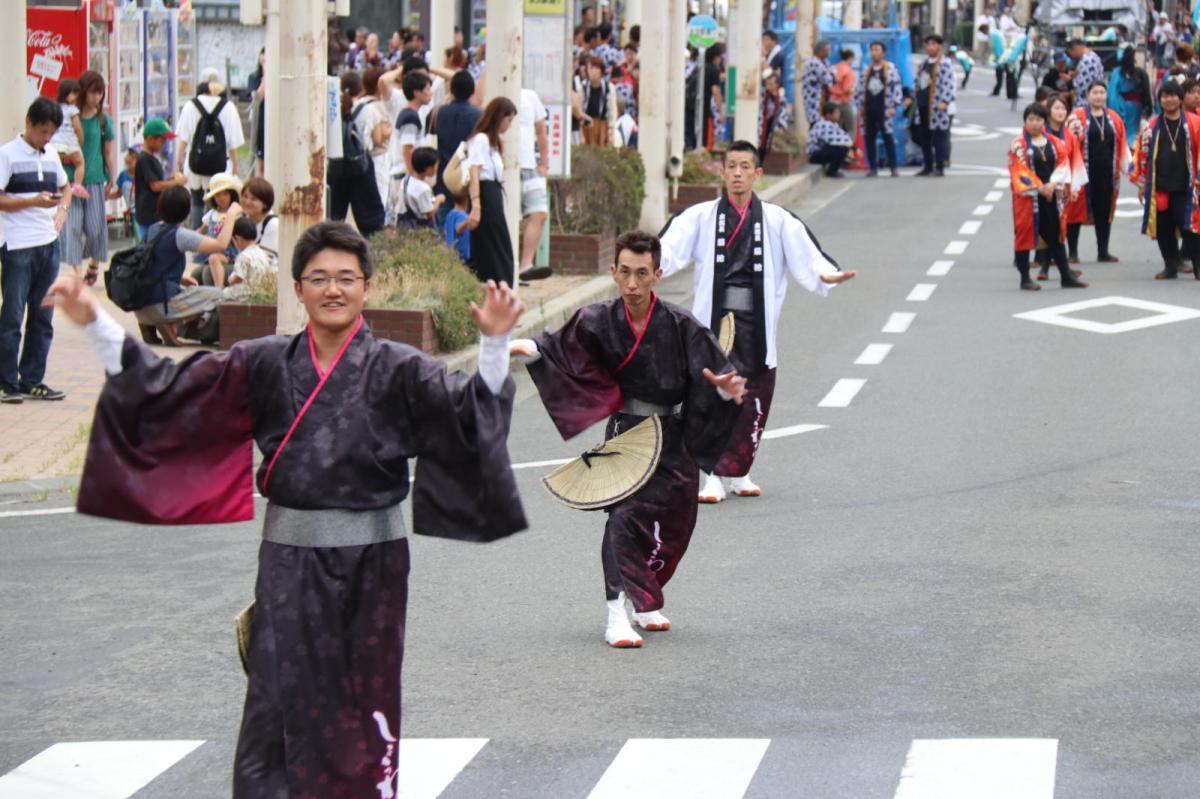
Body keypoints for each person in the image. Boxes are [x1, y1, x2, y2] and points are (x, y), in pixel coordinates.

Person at [45, 220, 527, 798]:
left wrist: (493, 345)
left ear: (367, 287)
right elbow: (166, 389)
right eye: (318, 278)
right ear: (297, 289)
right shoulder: (264, 362)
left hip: (373, 564)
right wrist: (94, 322)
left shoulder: (398, 367)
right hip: (288, 563)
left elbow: (469, 417)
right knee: (277, 700)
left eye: (346, 278)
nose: (333, 289)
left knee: (362, 702)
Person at [512, 230, 746, 648]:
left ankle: (644, 598)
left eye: (642, 273)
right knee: (623, 520)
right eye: (625, 272)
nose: (633, 283)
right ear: (613, 272)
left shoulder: (681, 325)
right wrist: (528, 348)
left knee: (675, 524)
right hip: (626, 434)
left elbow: (716, 371)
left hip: (673, 435)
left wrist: (725, 390)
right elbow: (561, 349)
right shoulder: (598, 320)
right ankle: (615, 612)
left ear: (658, 274)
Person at [657, 140, 856, 502]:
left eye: (745, 167)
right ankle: (711, 476)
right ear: (722, 172)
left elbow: (807, 255)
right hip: (715, 322)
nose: (737, 173)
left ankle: (739, 472)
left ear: (757, 174)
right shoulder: (700, 216)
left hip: (756, 325)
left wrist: (826, 274)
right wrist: (653, 265)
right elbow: (668, 247)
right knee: (712, 395)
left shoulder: (778, 220)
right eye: (731, 166)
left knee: (752, 398)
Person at [0, 97, 71, 404]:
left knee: (43, 317)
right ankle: (7, 382)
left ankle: (32, 379)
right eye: (43, 131)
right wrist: (32, 202)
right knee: (13, 316)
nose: (47, 138)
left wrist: (62, 211)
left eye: (51, 133)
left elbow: (66, 187)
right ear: (28, 122)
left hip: (49, 244)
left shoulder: (52, 154)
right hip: (18, 246)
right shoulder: (7, 155)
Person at [132, 185, 241, 345]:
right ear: (186, 211)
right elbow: (221, 245)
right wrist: (231, 215)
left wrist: (181, 279)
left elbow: (150, 264)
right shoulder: (180, 235)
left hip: (140, 305)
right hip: (162, 306)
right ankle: (173, 325)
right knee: (223, 294)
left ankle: (148, 324)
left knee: (191, 288)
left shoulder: (153, 229)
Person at [1007, 103, 1089, 291]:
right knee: (1024, 235)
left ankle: (1066, 276)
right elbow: (1019, 171)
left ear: (1044, 121)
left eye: (1038, 119)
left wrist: (1052, 184)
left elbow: (1062, 164)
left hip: (1050, 196)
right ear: (1025, 122)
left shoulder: (1053, 142)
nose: (1034, 123)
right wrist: (1039, 187)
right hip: (1027, 199)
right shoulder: (1018, 144)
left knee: (1055, 235)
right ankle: (1025, 278)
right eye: (1030, 120)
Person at [1133, 81, 1200, 280]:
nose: (1169, 100)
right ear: (1160, 100)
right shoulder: (1151, 126)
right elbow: (1142, 156)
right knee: (1163, 229)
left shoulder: (1195, 123)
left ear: (1180, 99)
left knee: (1190, 228)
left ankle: (1198, 266)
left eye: (1173, 96)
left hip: (1186, 186)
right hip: (1159, 185)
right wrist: (1142, 184)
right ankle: (1170, 266)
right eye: (1165, 96)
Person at [60, 71, 116, 288]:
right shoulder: (67, 117)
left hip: (94, 179)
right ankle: (76, 273)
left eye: (100, 93)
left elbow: (108, 151)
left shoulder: (103, 120)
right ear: (83, 92)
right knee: (72, 226)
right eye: (93, 92)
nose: (97, 97)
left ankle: (93, 261)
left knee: (95, 227)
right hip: (70, 178)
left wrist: (111, 177)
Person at [1064, 82, 1128, 265]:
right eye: (1095, 92)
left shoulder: (1114, 118)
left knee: (1104, 211)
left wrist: (1129, 170)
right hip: (1082, 173)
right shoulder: (1077, 117)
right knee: (1075, 211)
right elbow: (1067, 142)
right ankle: (1073, 252)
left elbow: (1122, 144)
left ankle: (1103, 251)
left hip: (1107, 173)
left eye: (1102, 92)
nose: (1098, 96)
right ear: (1088, 94)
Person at [175, 74, 245, 228]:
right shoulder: (228, 107)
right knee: (219, 203)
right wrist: (236, 165)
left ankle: (197, 233)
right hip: (221, 165)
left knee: (197, 201)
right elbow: (233, 143)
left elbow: (183, 139)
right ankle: (217, 232)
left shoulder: (190, 106)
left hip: (195, 165)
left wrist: (178, 163)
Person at [466, 98, 518, 285]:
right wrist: (476, 204)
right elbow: (474, 171)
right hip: (485, 195)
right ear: (498, 117)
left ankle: (500, 285)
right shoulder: (481, 139)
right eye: (508, 120)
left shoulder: (493, 143)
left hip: (493, 193)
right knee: (493, 245)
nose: (509, 125)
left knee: (498, 244)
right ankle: (497, 285)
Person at [1035, 94, 1087, 277]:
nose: (1061, 112)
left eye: (1064, 108)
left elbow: (1075, 161)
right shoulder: (1040, 134)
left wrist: (1074, 187)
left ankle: (1054, 267)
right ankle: (1047, 266)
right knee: (1047, 227)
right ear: (1048, 111)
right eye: (1056, 108)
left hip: (1062, 189)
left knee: (1058, 227)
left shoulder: (1070, 136)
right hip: (1043, 187)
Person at [328, 71, 385, 239]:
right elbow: (375, 138)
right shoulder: (368, 108)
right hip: (361, 164)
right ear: (361, 89)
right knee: (370, 219)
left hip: (336, 165)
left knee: (333, 216)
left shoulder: (332, 107)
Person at [433, 70, 483, 218]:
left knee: (443, 217)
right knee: (466, 220)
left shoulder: (437, 113)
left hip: (442, 174)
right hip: (467, 177)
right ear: (473, 91)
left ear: (451, 90)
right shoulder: (479, 115)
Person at [518, 88, 553, 281]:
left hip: (531, 165)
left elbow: (541, 131)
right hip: (505, 167)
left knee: (539, 213)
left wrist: (545, 164)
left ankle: (526, 265)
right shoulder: (493, 89)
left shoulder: (530, 96)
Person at [856, 40, 903, 177]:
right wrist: (860, 106)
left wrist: (894, 105)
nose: (874, 53)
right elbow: (859, 90)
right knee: (869, 138)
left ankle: (893, 166)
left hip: (884, 109)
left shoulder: (890, 69)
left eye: (877, 50)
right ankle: (873, 167)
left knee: (888, 137)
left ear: (883, 53)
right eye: (872, 50)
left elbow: (896, 88)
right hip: (869, 109)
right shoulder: (867, 71)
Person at [134, 119, 186, 240]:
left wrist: (170, 179)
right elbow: (155, 186)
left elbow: (156, 181)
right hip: (148, 213)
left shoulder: (151, 158)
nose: (163, 144)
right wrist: (176, 182)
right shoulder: (145, 159)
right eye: (162, 140)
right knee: (149, 244)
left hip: (154, 212)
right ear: (150, 139)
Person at [358, 65, 401, 212]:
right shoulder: (376, 107)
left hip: (361, 158)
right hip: (378, 159)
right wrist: (392, 128)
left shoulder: (360, 103)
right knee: (380, 199)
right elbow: (377, 138)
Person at [193, 172, 243, 288]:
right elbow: (202, 230)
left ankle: (218, 289)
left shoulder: (235, 214)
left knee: (213, 260)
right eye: (217, 195)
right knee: (196, 272)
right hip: (213, 251)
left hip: (230, 254)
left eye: (225, 194)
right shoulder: (211, 215)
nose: (221, 198)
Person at [915, 34, 956, 176]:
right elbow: (918, 82)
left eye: (933, 44)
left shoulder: (945, 63)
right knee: (924, 136)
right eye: (928, 44)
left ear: (939, 46)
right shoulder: (924, 63)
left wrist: (945, 101)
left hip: (937, 105)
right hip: (923, 103)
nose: (930, 47)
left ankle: (939, 166)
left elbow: (949, 83)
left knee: (939, 136)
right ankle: (928, 165)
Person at [48, 80, 88, 200]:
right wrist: (81, 141)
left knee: (57, 165)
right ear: (66, 93)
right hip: (70, 144)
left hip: (55, 144)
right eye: (74, 94)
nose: (76, 97)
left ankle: (56, 187)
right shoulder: (72, 109)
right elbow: (77, 127)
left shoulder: (54, 108)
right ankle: (77, 186)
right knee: (80, 163)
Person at [220, 215, 274, 303]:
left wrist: (230, 280)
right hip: (264, 292)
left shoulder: (244, 256)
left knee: (222, 294)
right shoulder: (263, 253)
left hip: (248, 293)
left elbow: (237, 278)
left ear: (238, 238)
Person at [1108, 46, 1151, 149]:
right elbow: (1147, 93)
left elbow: (1111, 94)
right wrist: (1147, 109)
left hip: (1119, 105)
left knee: (1121, 132)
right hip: (1137, 107)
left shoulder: (1116, 73)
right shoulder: (1141, 73)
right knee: (1133, 133)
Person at [575, 56, 619, 148]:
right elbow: (579, 108)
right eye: (590, 68)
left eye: (595, 68)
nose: (592, 71)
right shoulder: (583, 86)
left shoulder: (608, 87)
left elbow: (612, 111)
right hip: (586, 126)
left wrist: (611, 132)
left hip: (602, 126)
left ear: (601, 71)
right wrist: (580, 131)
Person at [396, 146, 443, 229]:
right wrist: (439, 200)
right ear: (428, 168)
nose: (437, 168)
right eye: (436, 165)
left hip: (404, 222)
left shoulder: (406, 180)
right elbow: (429, 213)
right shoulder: (423, 188)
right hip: (419, 227)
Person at [806, 102, 856, 177]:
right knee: (840, 147)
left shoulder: (834, 124)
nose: (839, 115)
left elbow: (844, 136)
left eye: (839, 112)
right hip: (814, 155)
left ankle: (834, 169)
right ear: (828, 115)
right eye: (836, 113)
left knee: (843, 147)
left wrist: (853, 148)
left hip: (822, 151)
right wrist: (855, 149)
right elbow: (839, 140)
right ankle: (832, 171)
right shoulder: (823, 124)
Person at [240, 176, 278, 267]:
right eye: (245, 196)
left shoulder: (273, 224)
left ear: (265, 204)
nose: (247, 202)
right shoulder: (244, 220)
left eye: (253, 199)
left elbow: (264, 262)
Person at [800, 40, 835, 127]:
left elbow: (833, 77)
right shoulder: (814, 63)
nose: (830, 51)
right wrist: (832, 74)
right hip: (814, 101)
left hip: (821, 100)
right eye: (828, 49)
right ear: (821, 51)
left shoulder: (824, 62)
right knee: (816, 125)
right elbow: (829, 79)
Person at [1066, 39, 1105, 108]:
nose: (1072, 56)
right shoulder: (1093, 55)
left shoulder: (1086, 61)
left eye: (1071, 53)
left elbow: (1082, 87)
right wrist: (1075, 75)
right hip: (1093, 98)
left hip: (1086, 102)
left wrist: (1072, 81)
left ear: (1076, 49)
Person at [758, 72, 788, 156]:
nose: (768, 86)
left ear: (776, 85)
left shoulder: (781, 99)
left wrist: (781, 127)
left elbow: (783, 114)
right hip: (762, 125)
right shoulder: (762, 95)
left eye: (771, 84)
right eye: (767, 84)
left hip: (772, 126)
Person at [830, 49, 858, 136]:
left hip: (832, 101)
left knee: (836, 128)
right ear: (850, 58)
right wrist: (855, 90)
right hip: (843, 103)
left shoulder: (834, 68)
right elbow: (847, 89)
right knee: (850, 128)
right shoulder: (848, 71)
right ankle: (848, 144)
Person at [442, 191, 471, 264]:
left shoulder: (450, 213)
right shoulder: (462, 215)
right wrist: (467, 222)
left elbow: (445, 230)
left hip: (450, 249)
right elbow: (458, 229)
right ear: (466, 201)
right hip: (460, 252)